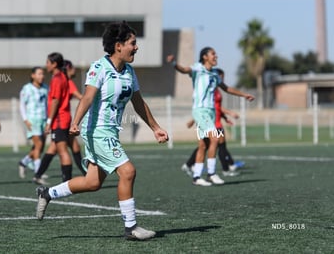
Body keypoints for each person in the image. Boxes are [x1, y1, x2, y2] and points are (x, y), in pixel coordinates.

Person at [35, 21, 169, 240]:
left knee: (92, 183)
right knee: (128, 171)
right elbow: (87, 97)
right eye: (132, 43)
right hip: (97, 131)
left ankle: (47, 193)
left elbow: (138, 102)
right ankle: (131, 228)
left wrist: (155, 128)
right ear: (118, 45)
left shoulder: (129, 72)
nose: (136, 47)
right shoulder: (99, 67)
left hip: (110, 132)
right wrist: (75, 121)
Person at [166, 47, 254, 186]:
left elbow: (227, 88)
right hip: (200, 111)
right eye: (213, 54)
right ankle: (211, 174)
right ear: (205, 56)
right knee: (215, 138)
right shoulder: (197, 68)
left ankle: (197, 177)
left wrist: (244, 95)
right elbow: (183, 70)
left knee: (203, 145)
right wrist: (174, 63)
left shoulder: (214, 74)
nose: (216, 56)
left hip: (210, 113)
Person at [182, 69, 245, 178]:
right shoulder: (211, 90)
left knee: (211, 145)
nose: (222, 79)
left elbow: (216, 108)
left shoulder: (216, 90)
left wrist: (225, 117)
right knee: (215, 145)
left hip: (215, 121)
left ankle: (191, 165)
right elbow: (209, 107)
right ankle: (224, 169)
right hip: (212, 122)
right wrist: (230, 113)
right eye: (221, 77)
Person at [32, 53, 72, 185]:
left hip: (60, 120)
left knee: (62, 151)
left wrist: (49, 121)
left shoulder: (57, 79)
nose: (46, 65)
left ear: (54, 64)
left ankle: (67, 183)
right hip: (63, 118)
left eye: (48, 62)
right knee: (52, 149)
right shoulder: (62, 77)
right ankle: (38, 175)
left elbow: (55, 101)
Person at [18, 67, 48, 179]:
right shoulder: (26, 89)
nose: (42, 76)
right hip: (32, 120)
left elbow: (47, 104)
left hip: (44, 120)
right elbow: (22, 105)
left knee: (40, 146)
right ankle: (38, 172)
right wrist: (25, 119)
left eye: (43, 74)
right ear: (33, 75)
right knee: (38, 145)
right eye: (39, 74)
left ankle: (23, 162)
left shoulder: (45, 88)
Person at [64, 59, 86, 176]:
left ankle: (86, 173)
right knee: (59, 150)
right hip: (62, 121)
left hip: (61, 121)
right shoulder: (67, 82)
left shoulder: (60, 81)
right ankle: (65, 181)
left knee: (75, 147)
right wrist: (91, 99)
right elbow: (82, 98)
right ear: (67, 68)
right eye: (72, 67)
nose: (74, 69)